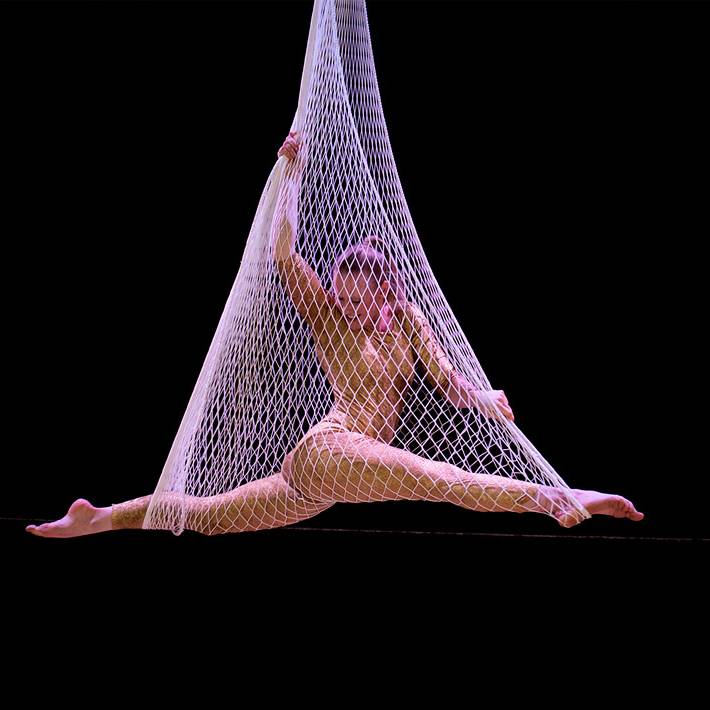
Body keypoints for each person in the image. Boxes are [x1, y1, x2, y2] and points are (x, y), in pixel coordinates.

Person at [26, 130, 643, 538]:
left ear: (385, 289)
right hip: (330, 449)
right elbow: (285, 253)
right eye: (340, 296)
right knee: (437, 480)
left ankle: (98, 518)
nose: (346, 305)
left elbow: (451, 384)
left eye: (356, 295)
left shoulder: (410, 322)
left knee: (207, 520)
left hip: (325, 481)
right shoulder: (330, 319)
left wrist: (483, 398)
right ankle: (556, 498)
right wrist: (289, 172)